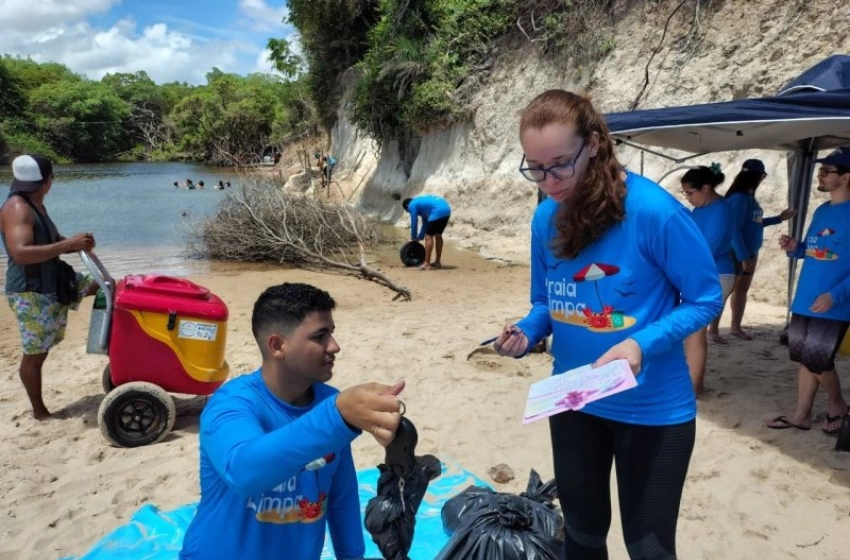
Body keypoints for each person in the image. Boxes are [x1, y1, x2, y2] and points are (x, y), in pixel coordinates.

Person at [493, 90, 722, 559]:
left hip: (651, 408)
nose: (549, 181)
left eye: (560, 164)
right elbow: (545, 301)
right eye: (534, 168)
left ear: (594, 144)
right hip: (574, 398)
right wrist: (527, 331)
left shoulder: (654, 211)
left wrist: (642, 343)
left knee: (649, 547)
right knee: (581, 533)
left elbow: (704, 298)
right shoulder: (545, 218)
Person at [179, 282, 405, 560]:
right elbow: (243, 470)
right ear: (277, 346)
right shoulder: (230, 404)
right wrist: (337, 416)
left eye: (331, 333)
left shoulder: (329, 404)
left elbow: (341, 496)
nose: (334, 346)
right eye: (320, 336)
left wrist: (352, 556)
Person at [0, 154, 97, 420]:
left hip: (54, 279)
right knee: (35, 354)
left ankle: (111, 345)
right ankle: (40, 412)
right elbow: (20, 253)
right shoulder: (18, 208)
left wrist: (77, 242)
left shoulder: (36, 204)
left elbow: (52, 239)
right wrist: (67, 246)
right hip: (31, 292)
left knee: (106, 286)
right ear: (48, 181)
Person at [767, 147, 850, 434]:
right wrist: (796, 248)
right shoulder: (822, 210)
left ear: (846, 177)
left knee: (817, 358)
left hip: (834, 303)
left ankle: (838, 404)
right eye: (820, 170)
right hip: (805, 297)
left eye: (827, 171)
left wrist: (833, 296)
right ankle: (801, 415)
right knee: (804, 357)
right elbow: (814, 250)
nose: (821, 175)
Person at [711, 159, 795, 342]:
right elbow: (734, 230)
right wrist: (742, 256)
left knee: (741, 290)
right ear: (756, 176)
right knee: (726, 291)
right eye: (762, 175)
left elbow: (754, 223)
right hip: (736, 252)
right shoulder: (739, 198)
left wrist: (779, 218)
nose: (763, 179)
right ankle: (713, 331)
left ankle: (735, 327)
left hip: (749, 251)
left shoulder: (748, 196)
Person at [680, 164, 736, 394]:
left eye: (690, 193)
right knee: (691, 330)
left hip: (717, 274)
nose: (688, 198)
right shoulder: (699, 210)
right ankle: (691, 382)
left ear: (706, 187)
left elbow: (706, 249)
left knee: (695, 330)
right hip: (700, 273)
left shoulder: (722, 209)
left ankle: (695, 386)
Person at [402, 195, 451, 270]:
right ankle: (437, 262)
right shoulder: (422, 205)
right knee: (438, 235)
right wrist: (419, 238)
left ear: (407, 206)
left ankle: (427, 263)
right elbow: (425, 223)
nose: (410, 212)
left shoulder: (412, 204)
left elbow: (414, 223)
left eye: (408, 211)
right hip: (446, 210)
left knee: (428, 237)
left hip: (437, 211)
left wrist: (413, 238)